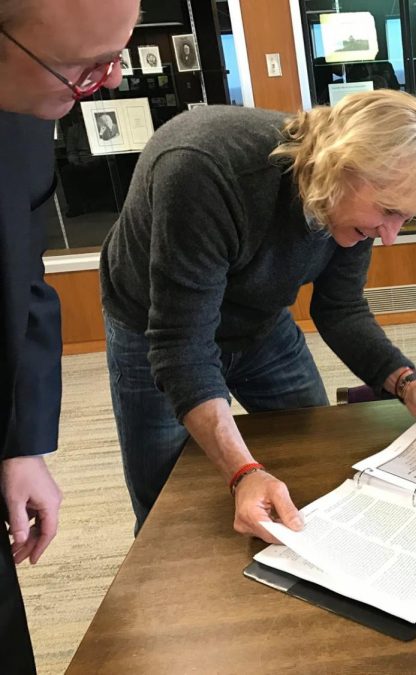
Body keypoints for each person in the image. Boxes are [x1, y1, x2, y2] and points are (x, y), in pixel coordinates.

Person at [100, 89, 416, 543]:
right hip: (151, 325)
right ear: (340, 167)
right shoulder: (204, 170)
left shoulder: (355, 199)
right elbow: (182, 349)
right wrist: (243, 471)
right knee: (167, 503)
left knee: (315, 461)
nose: (388, 237)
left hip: (261, 321)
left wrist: (406, 382)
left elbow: (340, 308)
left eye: (403, 219)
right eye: (388, 213)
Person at [0, 1, 138, 671]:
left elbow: (22, 275)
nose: (108, 83)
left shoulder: (24, 118)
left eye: (111, 59)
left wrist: (22, 441)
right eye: (86, 66)